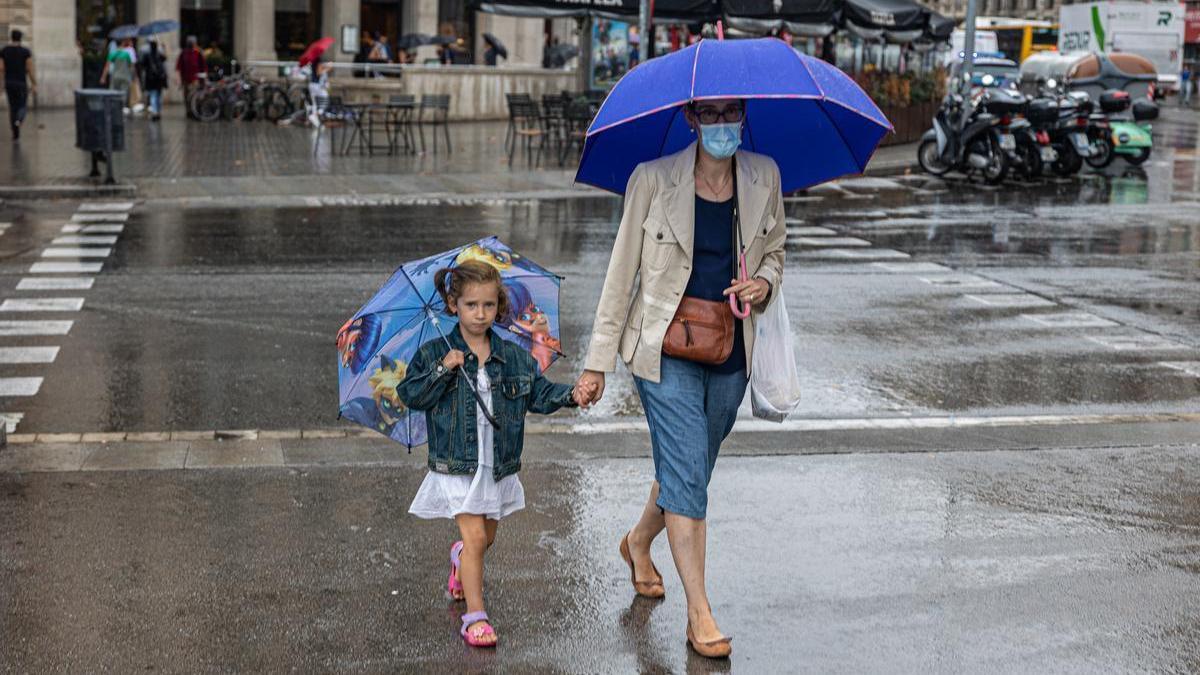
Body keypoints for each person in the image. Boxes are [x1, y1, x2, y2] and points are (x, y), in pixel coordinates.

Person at [575, 97, 785, 660]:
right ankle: (700, 613)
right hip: (662, 348)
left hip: (730, 348)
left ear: (744, 116)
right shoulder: (652, 180)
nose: (723, 125)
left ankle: (639, 540)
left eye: (731, 113)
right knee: (689, 471)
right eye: (710, 115)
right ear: (692, 121)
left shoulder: (764, 176)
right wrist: (598, 361)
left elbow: (778, 252)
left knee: (688, 469)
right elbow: (622, 273)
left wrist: (762, 282)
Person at [396, 260, 592, 648]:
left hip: (496, 463)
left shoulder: (514, 357)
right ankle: (475, 615)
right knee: (474, 538)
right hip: (457, 464)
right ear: (453, 305)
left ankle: (459, 560)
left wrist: (572, 394)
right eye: (471, 305)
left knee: (484, 540)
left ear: (498, 305)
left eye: (488, 305)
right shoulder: (438, 350)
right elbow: (409, 394)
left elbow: (538, 393)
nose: (480, 313)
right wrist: (441, 369)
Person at [0, 29, 35, 140]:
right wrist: (34, 83)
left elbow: (1, 68)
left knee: (13, 108)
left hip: (9, 83)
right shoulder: (25, 52)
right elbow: (29, 69)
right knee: (23, 106)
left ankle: (15, 135)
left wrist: (1, 84)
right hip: (21, 83)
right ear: (21, 38)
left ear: (11, 37)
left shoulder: (4, 50)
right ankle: (19, 121)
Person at [100, 37, 137, 113]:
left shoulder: (113, 54)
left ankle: (114, 108)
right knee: (124, 94)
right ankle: (122, 108)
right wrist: (134, 77)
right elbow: (131, 67)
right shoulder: (126, 54)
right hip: (125, 77)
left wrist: (103, 77)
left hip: (115, 76)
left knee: (113, 93)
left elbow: (107, 66)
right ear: (122, 43)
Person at [176, 36, 206, 117]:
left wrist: (203, 77)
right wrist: (179, 79)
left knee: (194, 95)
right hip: (186, 78)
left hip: (195, 78)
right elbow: (179, 67)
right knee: (186, 96)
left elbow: (203, 66)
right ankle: (189, 111)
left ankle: (195, 110)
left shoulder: (198, 52)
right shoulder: (184, 53)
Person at [141, 39, 168, 121]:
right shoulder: (160, 54)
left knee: (153, 95)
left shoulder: (146, 55)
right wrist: (163, 48)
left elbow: (142, 65)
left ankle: (155, 112)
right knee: (158, 96)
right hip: (159, 78)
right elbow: (165, 58)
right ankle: (158, 112)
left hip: (151, 78)